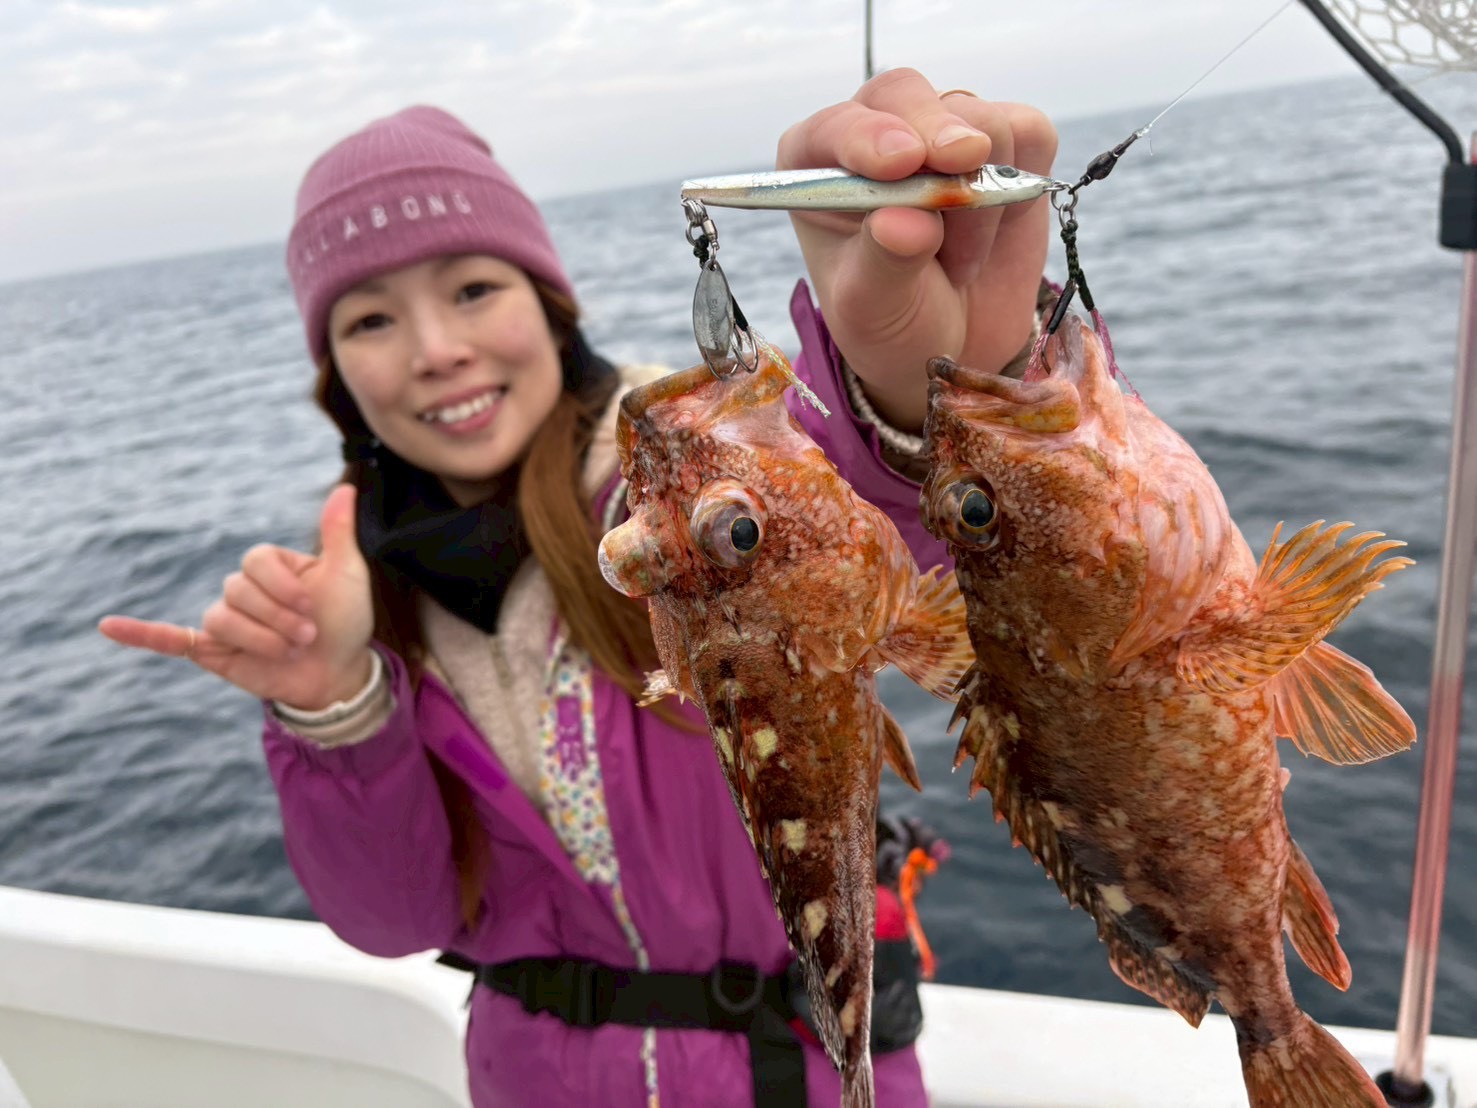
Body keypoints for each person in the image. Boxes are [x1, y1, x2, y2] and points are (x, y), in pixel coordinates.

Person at [99, 68, 1056, 1107]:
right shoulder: (351, 602)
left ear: (550, 305)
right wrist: (332, 703)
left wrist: (927, 392)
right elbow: (394, 917)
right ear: (332, 372)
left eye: (473, 289)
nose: (437, 350)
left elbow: (906, 526)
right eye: (369, 320)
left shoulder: (710, 470)